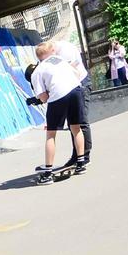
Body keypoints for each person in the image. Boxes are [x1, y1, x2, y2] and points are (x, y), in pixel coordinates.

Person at [26, 42, 87, 175]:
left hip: (58, 96)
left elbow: (43, 97)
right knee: (76, 127)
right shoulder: (60, 60)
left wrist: (48, 94)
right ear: (51, 52)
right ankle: (81, 163)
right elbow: (76, 74)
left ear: (38, 57)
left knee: (51, 134)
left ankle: (48, 172)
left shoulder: (38, 71)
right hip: (76, 90)